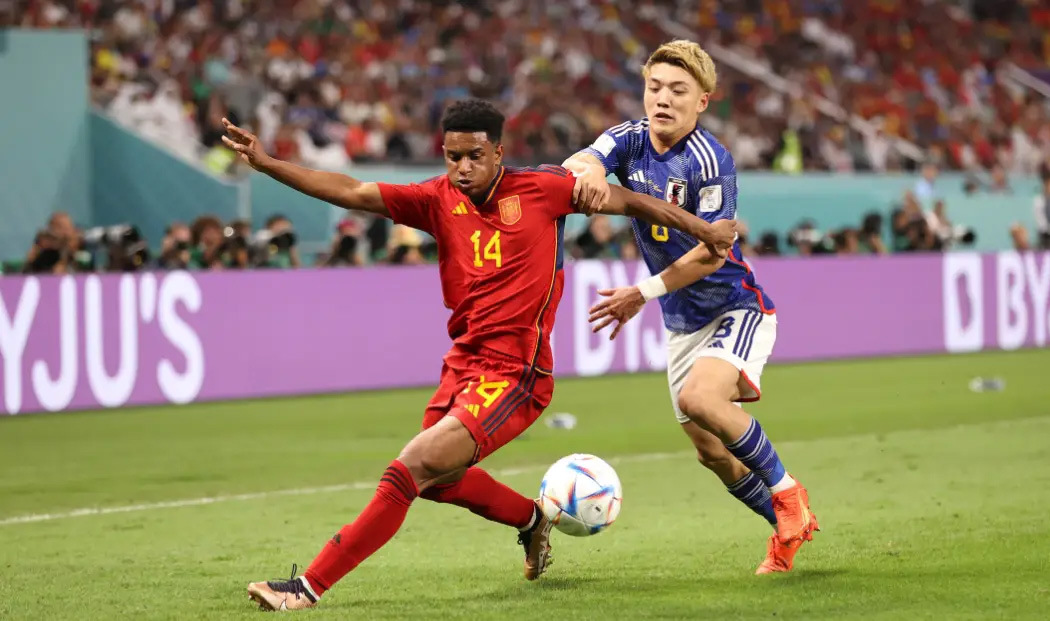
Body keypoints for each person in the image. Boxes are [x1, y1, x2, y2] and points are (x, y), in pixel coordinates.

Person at [220, 99, 737, 611]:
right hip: (463, 362)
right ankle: (532, 521)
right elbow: (352, 191)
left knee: (410, 469)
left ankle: (306, 588)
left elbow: (632, 203)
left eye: (474, 156)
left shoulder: (544, 189)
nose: (463, 168)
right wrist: (268, 164)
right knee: (438, 482)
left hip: (517, 372)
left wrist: (703, 229)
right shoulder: (435, 199)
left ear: (498, 153)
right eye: (453, 157)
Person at [563, 40, 819, 575]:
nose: (663, 99)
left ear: (702, 101)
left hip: (734, 306)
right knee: (710, 451)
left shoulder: (709, 160)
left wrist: (641, 292)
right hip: (682, 322)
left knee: (700, 399)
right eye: (654, 87)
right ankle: (786, 527)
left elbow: (710, 253)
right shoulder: (629, 139)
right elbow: (584, 160)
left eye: (678, 90)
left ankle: (788, 493)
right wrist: (588, 171)